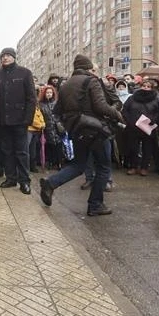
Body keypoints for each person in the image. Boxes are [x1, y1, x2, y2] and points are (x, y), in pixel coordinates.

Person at [38, 55, 123, 216]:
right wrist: (117, 114)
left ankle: (50, 183)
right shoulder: (91, 81)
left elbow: (58, 111)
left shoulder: (65, 85)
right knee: (104, 167)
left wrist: (71, 123)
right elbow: (100, 106)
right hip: (96, 130)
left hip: (77, 130)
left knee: (78, 165)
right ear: (88, 67)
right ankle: (95, 204)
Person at [0, 47, 37, 194]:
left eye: (8, 55)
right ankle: (11, 178)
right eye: (3, 56)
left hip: (20, 120)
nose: (5, 58)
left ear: (14, 57)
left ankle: (24, 181)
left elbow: (31, 98)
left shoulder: (25, 73)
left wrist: (27, 119)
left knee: (22, 152)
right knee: (7, 151)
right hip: (3, 121)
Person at [122, 78, 159, 177]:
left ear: (152, 88)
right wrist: (130, 121)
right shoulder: (132, 98)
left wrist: (152, 120)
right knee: (133, 148)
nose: (146, 88)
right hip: (133, 126)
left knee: (147, 148)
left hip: (148, 126)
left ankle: (144, 168)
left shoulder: (156, 98)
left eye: (148, 87)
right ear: (140, 86)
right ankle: (133, 167)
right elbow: (125, 110)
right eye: (144, 86)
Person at [39, 85, 64, 170]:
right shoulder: (41, 104)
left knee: (59, 144)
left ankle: (59, 162)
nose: (49, 94)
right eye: (47, 92)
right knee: (49, 145)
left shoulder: (57, 103)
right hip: (47, 127)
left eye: (50, 92)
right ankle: (50, 161)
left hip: (57, 126)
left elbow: (61, 114)